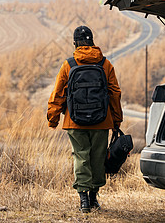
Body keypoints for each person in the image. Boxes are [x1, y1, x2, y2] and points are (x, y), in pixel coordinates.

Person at [47, 25, 123, 213]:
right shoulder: (105, 64)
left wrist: (53, 118)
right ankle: (94, 198)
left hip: (75, 121)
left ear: (75, 43)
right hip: (102, 121)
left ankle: (83, 201)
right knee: (97, 158)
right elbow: (114, 93)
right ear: (92, 41)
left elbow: (57, 93)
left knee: (81, 157)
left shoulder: (69, 64)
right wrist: (116, 120)